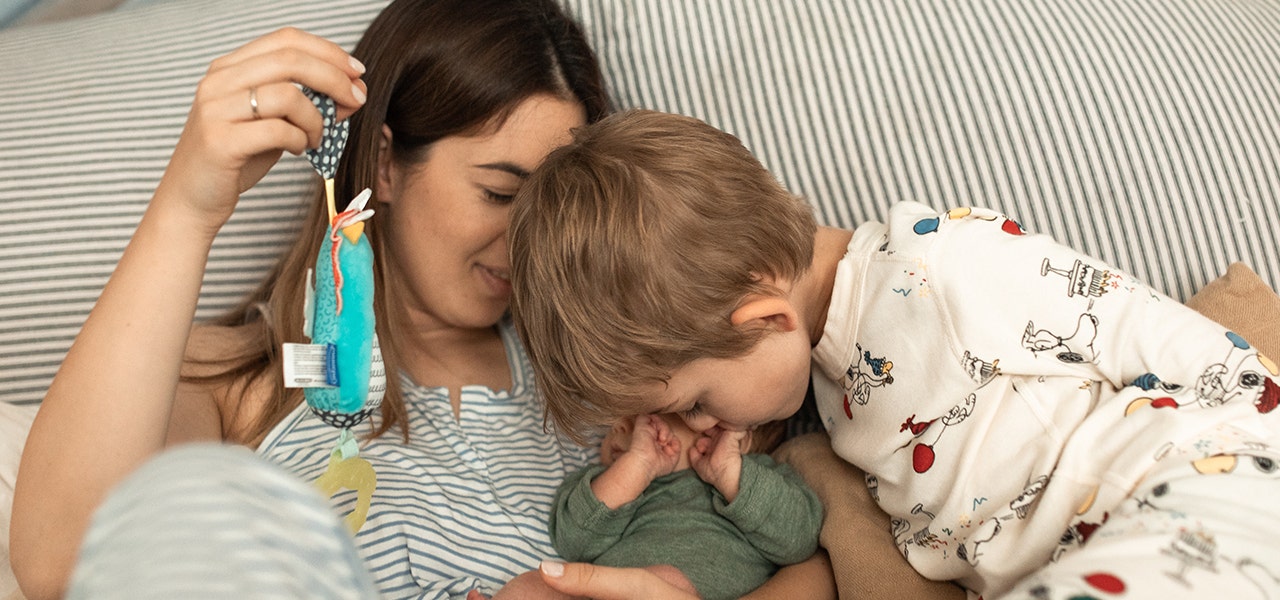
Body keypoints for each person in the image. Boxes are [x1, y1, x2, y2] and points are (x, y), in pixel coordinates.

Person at [508, 109, 1280, 599]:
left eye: (697, 401)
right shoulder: (826, 370)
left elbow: (1125, 319)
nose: (696, 423)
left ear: (769, 320)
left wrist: (1255, 398)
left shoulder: (938, 266)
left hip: (1185, 482)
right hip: (1075, 551)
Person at [11, 0, 616, 597]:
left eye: (555, 207)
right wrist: (187, 210)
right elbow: (65, 563)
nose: (530, 241)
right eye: (500, 194)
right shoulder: (233, 380)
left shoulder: (603, 387)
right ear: (386, 162)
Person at [482, 413, 822, 600]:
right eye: (622, 412)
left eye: (651, 413)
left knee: (665, 579)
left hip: (669, 594)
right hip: (596, 592)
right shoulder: (608, 483)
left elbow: (799, 539)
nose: (620, 424)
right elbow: (572, 539)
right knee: (534, 585)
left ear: (731, 434)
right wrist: (636, 467)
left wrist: (732, 475)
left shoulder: (760, 481)